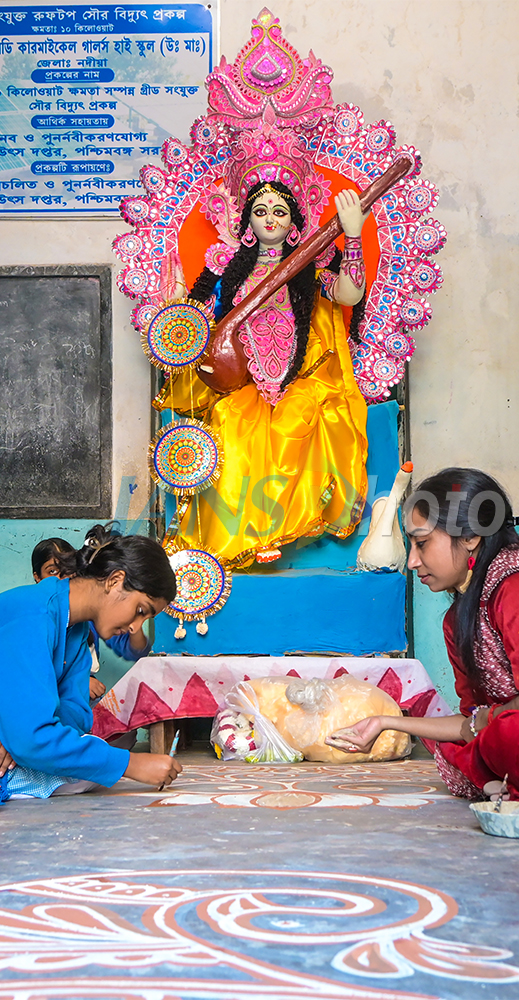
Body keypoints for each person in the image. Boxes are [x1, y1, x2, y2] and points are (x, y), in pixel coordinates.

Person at [326, 468, 519, 820]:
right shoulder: (457, 619)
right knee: (457, 747)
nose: (412, 561)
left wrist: (487, 722)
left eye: (422, 543)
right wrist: (384, 722)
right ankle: (517, 786)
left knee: (506, 735)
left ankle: (518, 786)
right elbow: (470, 722)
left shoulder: (518, 588)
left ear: (471, 536)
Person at [160, 180, 369, 568]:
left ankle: (273, 531)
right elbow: (193, 318)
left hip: (297, 383)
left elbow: (348, 295)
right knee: (229, 424)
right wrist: (174, 310)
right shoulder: (229, 268)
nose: (270, 219)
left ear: (293, 223)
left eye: (279, 211)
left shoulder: (309, 264)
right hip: (245, 385)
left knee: (296, 421)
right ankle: (243, 537)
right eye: (260, 211)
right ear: (247, 224)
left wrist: (353, 235)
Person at [0, 525, 182, 799]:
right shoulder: (34, 616)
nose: (136, 627)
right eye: (140, 610)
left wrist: (20, 731)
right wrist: (130, 764)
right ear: (115, 580)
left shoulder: (76, 627)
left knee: (92, 763)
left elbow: (75, 714)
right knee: (92, 766)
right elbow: (32, 739)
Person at [32, 536, 152, 700]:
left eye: (68, 570)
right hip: (49, 694)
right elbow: (34, 673)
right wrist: (80, 681)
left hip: (81, 694)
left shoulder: (89, 613)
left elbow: (134, 651)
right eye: (52, 571)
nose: (62, 578)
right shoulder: (33, 616)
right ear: (37, 577)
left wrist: (135, 620)